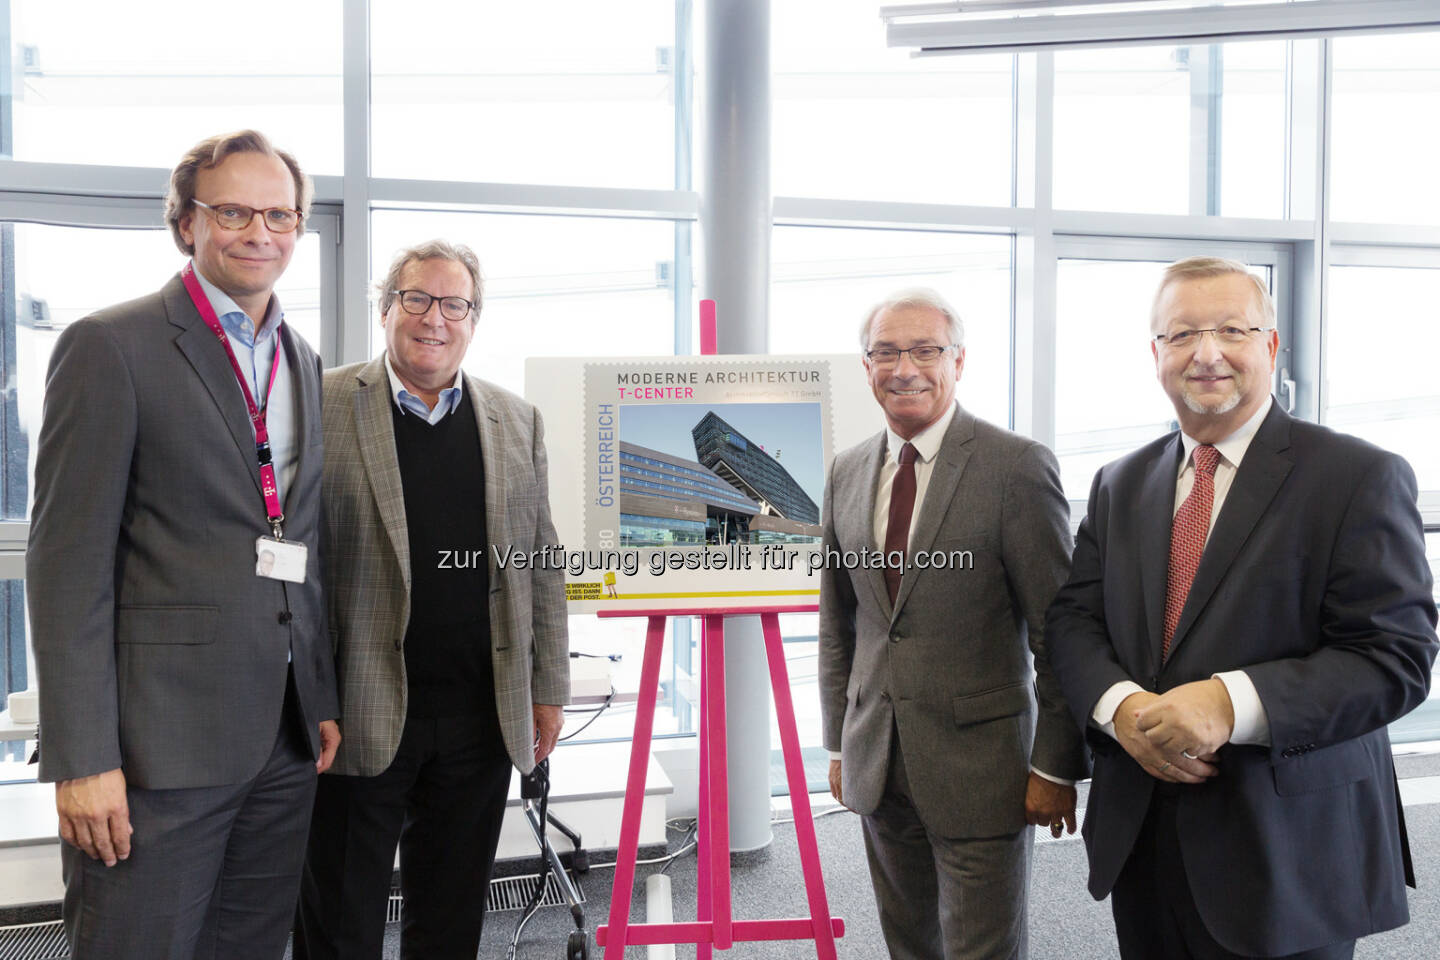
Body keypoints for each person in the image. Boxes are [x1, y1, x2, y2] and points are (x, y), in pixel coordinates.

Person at [1045, 256, 1438, 959]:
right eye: (1182, 334)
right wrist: (1120, 707)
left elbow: (1394, 659)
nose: (1206, 353)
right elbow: (1074, 621)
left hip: (1288, 848)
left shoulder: (1357, 476)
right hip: (1143, 837)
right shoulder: (1119, 482)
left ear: (1271, 345)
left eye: (1232, 329)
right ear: (1156, 354)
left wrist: (1231, 703)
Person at [27, 129, 340, 960]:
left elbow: (296, 540)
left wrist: (319, 693)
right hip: (154, 750)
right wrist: (82, 757)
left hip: (281, 739)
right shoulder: (112, 346)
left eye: (280, 213)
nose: (259, 231)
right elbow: (65, 567)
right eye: (233, 210)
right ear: (185, 224)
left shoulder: (302, 361)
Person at [294, 239, 571, 959]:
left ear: (474, 319)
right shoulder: (322, 404)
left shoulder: (516, 420)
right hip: (358, 711)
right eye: (417, 298)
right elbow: (295, 568)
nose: (434, 319)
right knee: (339, 917)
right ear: (387, 308)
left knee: (449, 920)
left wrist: (548, 688)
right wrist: (308, 695)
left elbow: (540, 562)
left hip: (479, 713)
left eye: (455, 304)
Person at [818, 288, 1088, 960]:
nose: (904, 367)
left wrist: (1056, 763)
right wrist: (836, 743)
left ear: (958, 362)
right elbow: (838, 622)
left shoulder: (1015, 468)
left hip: (982, 768)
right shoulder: (847, 471)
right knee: (908, 941)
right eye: (886, 352)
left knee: (981, 951)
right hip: (877, 757)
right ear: (866, 365)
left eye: (925, 350)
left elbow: (1058, 630)